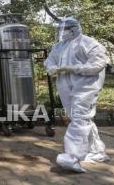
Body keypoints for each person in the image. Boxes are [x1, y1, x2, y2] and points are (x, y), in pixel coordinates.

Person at [44, 17, 109, 173]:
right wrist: (52, 67)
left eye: (63, 30)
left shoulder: (88, 42)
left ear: (73, 29)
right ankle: (96, 151)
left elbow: (99, 63)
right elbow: (49, 61)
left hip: (86, 86)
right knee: (80, 118)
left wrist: (74, 68)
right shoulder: (59, 46)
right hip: (65, 87)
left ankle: (72, 157)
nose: (61, 33)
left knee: (80, 117)